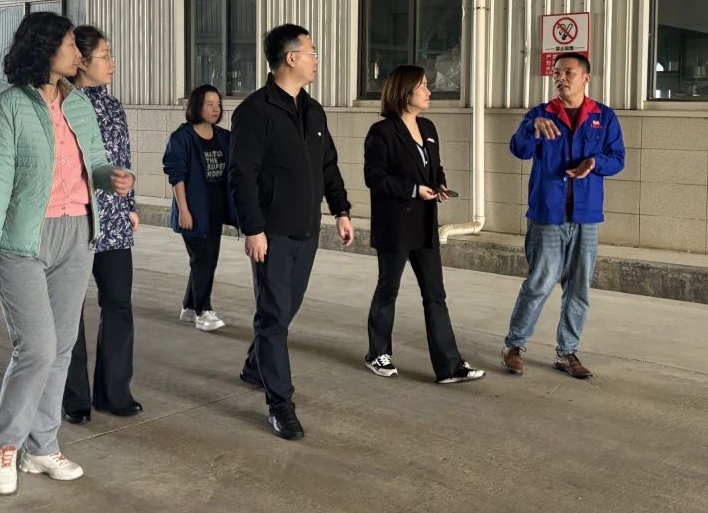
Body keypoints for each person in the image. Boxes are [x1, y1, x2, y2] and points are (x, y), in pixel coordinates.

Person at [0, 12, 134, 496]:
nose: (78, 54)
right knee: (37, 348)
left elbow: (95, 163)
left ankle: (42, 447)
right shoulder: (8, 108)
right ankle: (5, 445)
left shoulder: (78, 104)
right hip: (24, 241)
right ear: (45, 49)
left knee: (61, 348)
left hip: (77, 234)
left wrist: (112, 177)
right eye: (70, 45)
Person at [228, 24, 354, 441]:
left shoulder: (313, 110)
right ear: (291, 58)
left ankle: (255, 365)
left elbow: (327, 164)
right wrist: (253, 229)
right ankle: (280, 404)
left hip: (306, 230)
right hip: (272, 233)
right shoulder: (255, 111)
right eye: (312, 52)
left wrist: (340, 210)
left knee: (283, 310)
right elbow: (241, 174)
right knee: (274, 316)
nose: (317, 59)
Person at [501, 53, 625, 380]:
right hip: (548, 214)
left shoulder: (603, 116)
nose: (561, 78)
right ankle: (514, 345)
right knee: (539, 282)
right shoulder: (540, 114)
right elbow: (519, 150)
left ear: (586, 77)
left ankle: (567, 352)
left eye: (568, 72)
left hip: (586, 216)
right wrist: (531, 130)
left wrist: (594, 163)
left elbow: (617, 158)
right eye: (557, 73)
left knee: (579, 287)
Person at [363, 65, 485, 384]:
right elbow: (374, 177)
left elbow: (435, 167)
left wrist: (439, 185)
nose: (429, 92)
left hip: (425, 223)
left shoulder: (428, 127)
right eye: (423, 87)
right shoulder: (382, 132)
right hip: (395, 225)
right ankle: (377, 353)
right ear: (404, 92)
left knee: (435, 294)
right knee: (388, 289)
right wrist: (413, 189)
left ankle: (449, 365)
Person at [61, 27, 144, 423]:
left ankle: (114, 392)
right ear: (81, 61)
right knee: (70, 310)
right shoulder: (64, 105)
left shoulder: (113, 106)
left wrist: (129, 203)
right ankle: (74, 397)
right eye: (105, 55)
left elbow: (123, 160)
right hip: (76, 221)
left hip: (113, 223)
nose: (113, 63)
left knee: (118, 304)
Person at [163, 84, 236, 332]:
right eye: (209, 104)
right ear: (197, 106)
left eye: (218, 104)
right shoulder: (182, 138)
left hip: (215, 210)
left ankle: (189, 306)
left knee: (206, 260)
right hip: (193, 210)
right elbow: (177, 176)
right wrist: (184, 210)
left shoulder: (223, 137)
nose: (215, 109)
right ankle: (203, 311)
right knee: (202, 259)